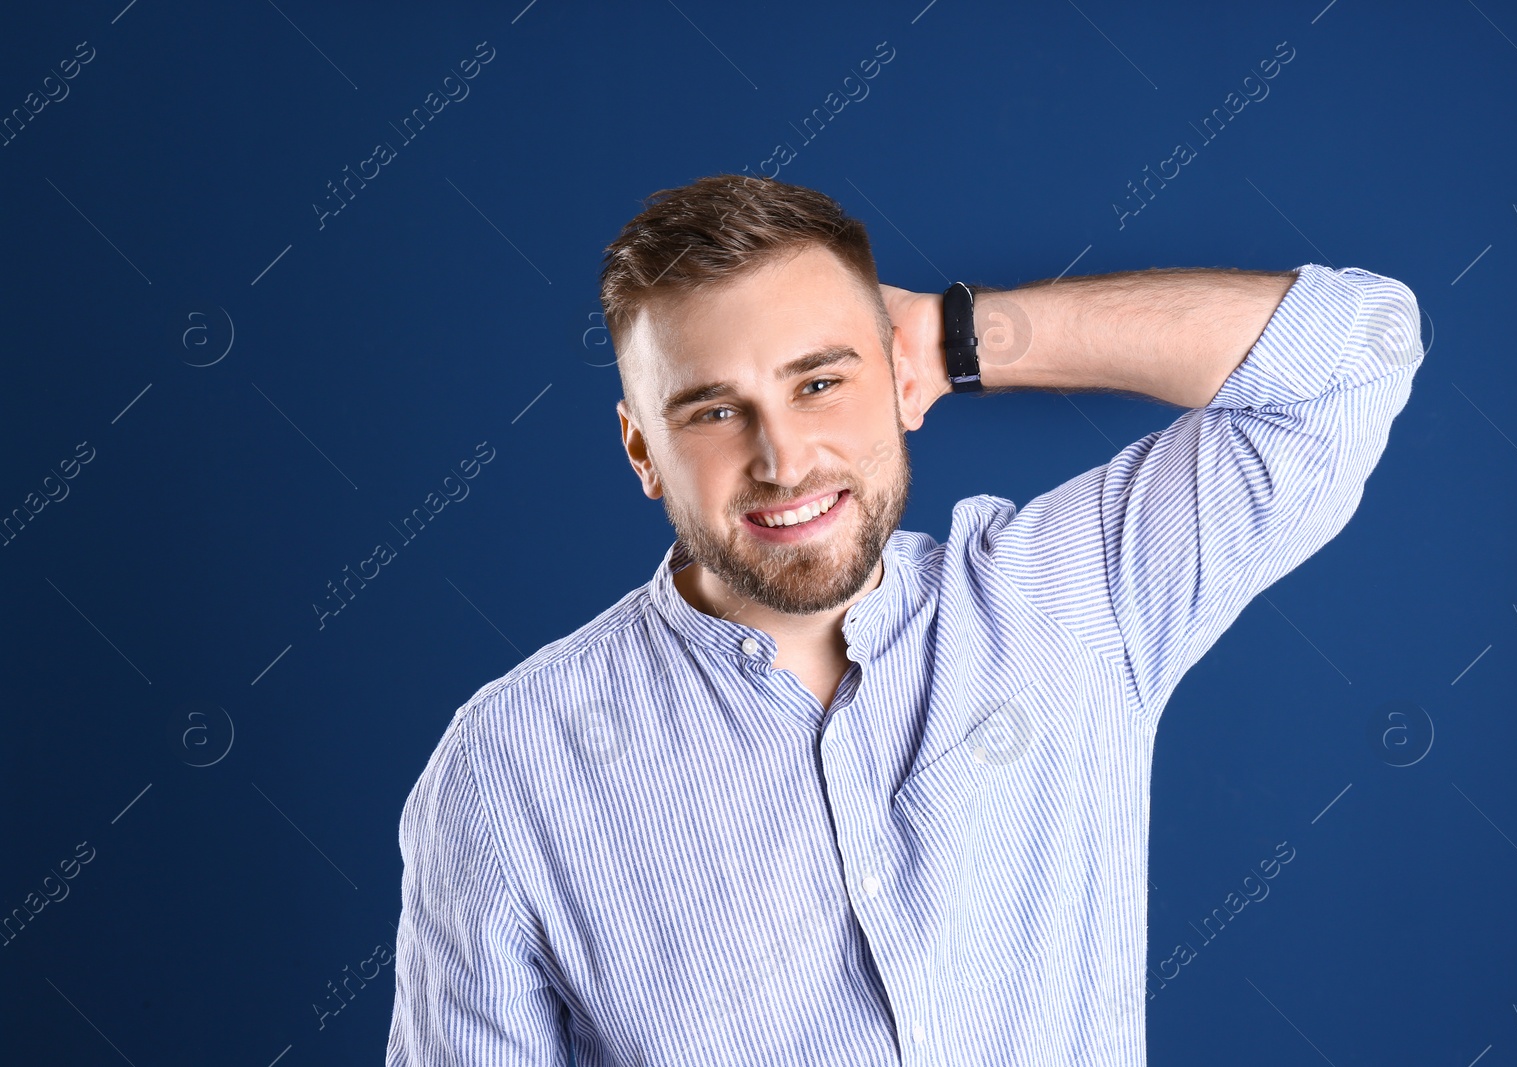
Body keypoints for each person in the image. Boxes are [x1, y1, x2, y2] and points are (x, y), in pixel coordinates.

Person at [386, 173, 1424, 1066]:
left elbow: (1363, 348)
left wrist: (958, 334)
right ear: (640, 448)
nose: (782, 459)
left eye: (821, 381)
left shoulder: (1074, 598)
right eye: (711, 408)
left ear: (896, 379)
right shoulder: (506, 769)